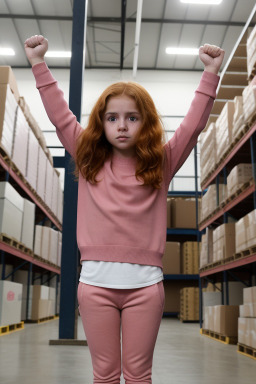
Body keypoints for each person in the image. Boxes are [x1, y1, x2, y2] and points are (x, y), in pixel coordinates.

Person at [24, 35, 224, 384]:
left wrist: (210, 74)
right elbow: (61, 118)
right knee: (104, 375)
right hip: (95, 286)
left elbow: (191, 129)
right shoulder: (89, 161)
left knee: (138, 375)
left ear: (144, 123)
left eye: (132, 118)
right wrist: (38, 64)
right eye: (112, 117)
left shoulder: (161, 163)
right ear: (101, 123)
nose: (121, 125)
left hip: (145, 287)